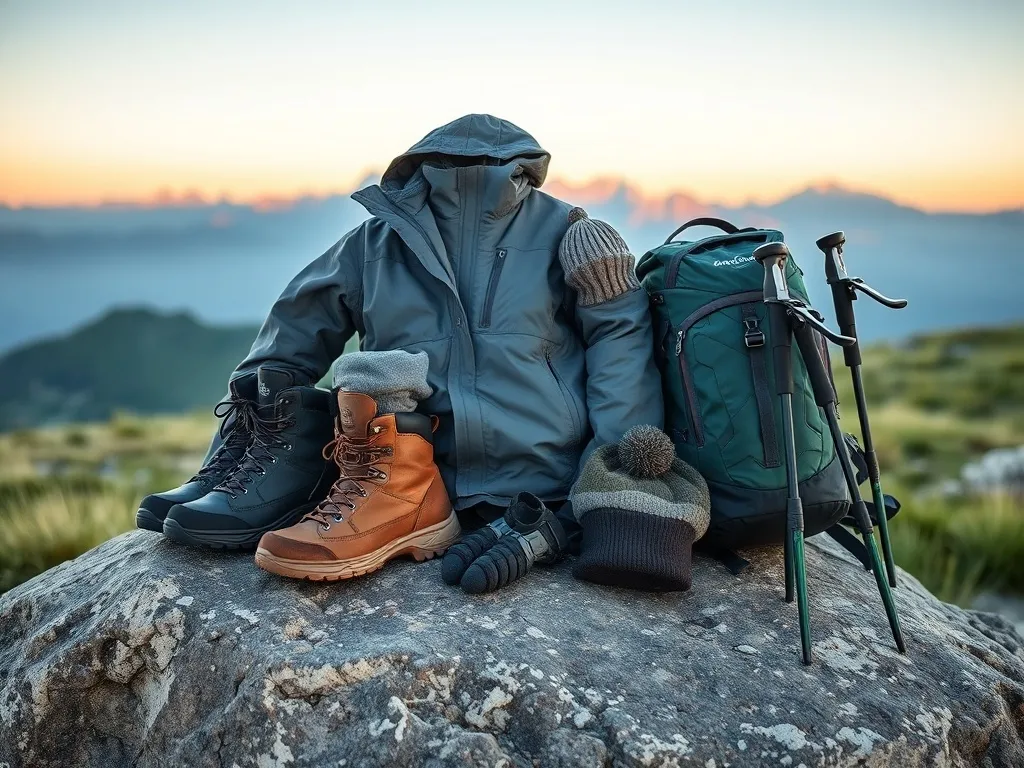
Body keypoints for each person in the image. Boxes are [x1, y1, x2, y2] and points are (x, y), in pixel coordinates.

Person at [138, 113, 664, 573]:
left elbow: (621, 346)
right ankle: (237, 486)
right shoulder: (374, 244)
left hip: (546, 487)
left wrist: (600, 492)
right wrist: (233, 470)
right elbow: (282, 351)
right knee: (281, 378)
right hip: (401, 487)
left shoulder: (565, 234)